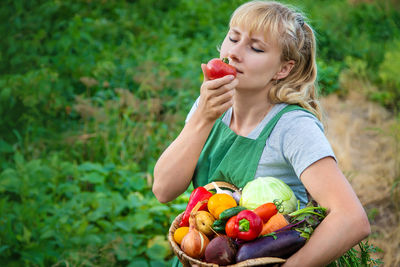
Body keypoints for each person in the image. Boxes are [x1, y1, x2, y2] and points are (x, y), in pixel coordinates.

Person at [153, 1, 371, 266]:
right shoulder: (209, 106)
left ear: (283, 69)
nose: (234, 53)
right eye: (233, 38)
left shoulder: (293, 127)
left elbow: (351, 219)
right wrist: (203, 118)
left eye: (255, 47)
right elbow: (163, 190)